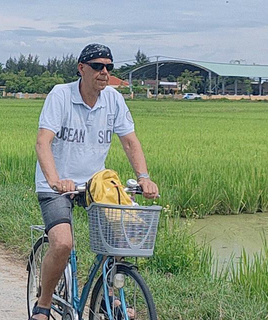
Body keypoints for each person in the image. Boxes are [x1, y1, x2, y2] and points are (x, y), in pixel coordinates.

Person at [31, 44, 159, 320]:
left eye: (109, 68)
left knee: (122, 236)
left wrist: (144, 178)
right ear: (81, 68)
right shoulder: (61, 96)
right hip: (58, 185)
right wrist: (55, 181)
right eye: (98, 66)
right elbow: (43, 142)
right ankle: (42, 304)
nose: (104, 72)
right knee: (63, 244)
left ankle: (106, 298)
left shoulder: (113, 99)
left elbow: (130, 142)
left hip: (94, 184)